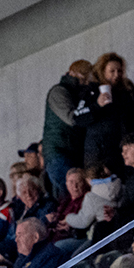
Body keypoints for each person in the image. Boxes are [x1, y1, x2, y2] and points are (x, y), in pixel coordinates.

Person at [42, 60, 94, 203]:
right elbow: (72, 118)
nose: (85, 81)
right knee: (70, 197)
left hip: (68, 151)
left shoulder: (75, 93)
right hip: (59, 153)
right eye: (83, 76)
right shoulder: (59, 91)